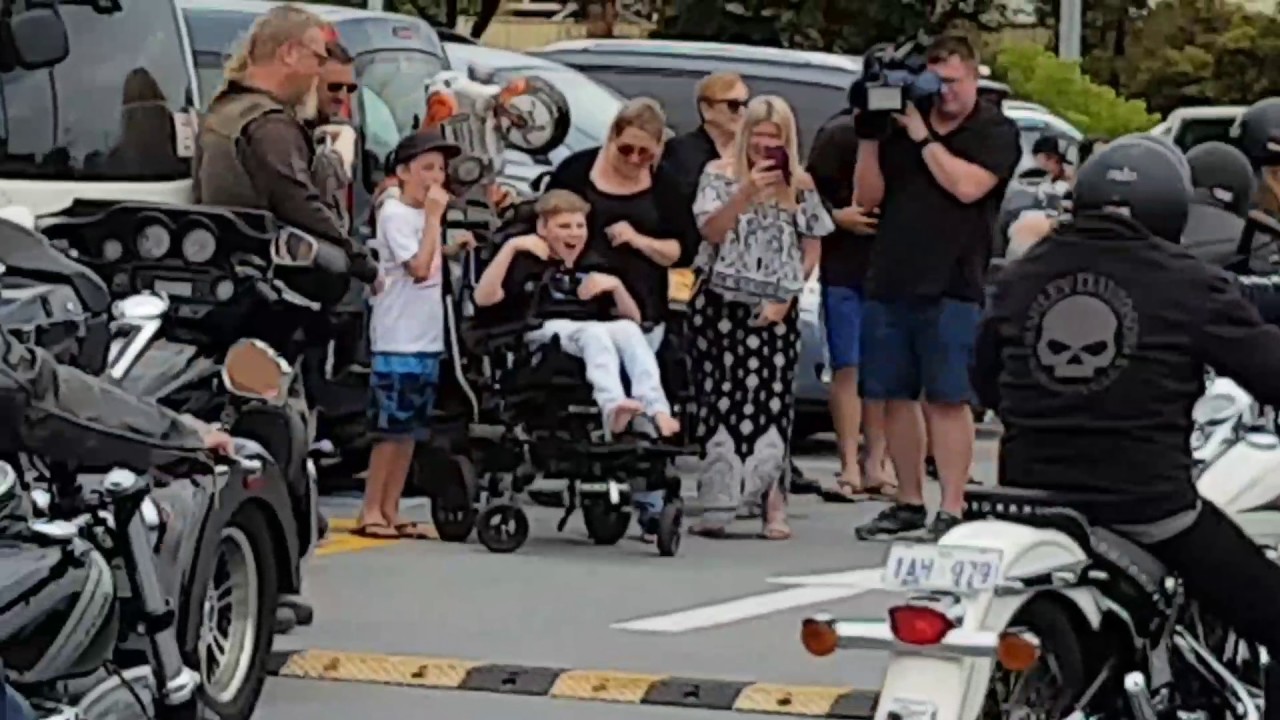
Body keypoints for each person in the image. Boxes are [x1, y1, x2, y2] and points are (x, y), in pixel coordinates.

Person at [973, 136, 1280, 719]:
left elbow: (986, 384)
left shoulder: (1020, 276)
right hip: (1143, 509)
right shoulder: (1187, 281)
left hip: (1028, 496)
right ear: (1172, 208)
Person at [850, 35, 1020, 541]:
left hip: (953, 280)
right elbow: (867, 197)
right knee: (892, 395)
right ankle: (907, 500)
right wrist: (870, 133)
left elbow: (968, 187)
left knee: (947, 397)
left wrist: (924, 136)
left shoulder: (994, 130)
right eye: (934, 81)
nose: (942, 92)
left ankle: (952, 504)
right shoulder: (903, 122)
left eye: (952, 82)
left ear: (973, 77)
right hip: (891, 273)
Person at [688, 95, 831, 541]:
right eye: (759, 137)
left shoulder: (800, 185)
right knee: (721, 399)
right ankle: (719, 498)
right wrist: (746, 191)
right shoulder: (718, 174)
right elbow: (710, 230)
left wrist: (789, 294)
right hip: (722, 300)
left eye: (775, 138)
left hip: (777, 302)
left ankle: (773, 504)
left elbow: (813, 243)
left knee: (771, 403)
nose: (765, 146)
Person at [193, 5, 377, 293]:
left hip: (223, 278)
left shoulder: (223, 111)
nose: (319, 71)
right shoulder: (268, 124)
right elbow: (299, 204)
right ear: (289, 53)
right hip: (266, 290)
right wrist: (364, 265)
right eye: (317, 59)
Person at [473, 189, 682, 438]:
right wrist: (511, 247)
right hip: (538, 331)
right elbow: (483, 299)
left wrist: (616, 287)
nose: (574, 233)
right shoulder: (527, 261)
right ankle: (613, 407)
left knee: (627, 330)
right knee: (592, 333)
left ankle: (657, 409)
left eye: (579, 225)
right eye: (564, 226)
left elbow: (635, 321)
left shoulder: (593, 263)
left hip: (588, 330)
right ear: (542, 227)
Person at [355, 131, 460, 540]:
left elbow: (430, 256)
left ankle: (392, 507)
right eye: (427, 169)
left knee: (411, 429)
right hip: (398, 335)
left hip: (425, 334)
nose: (436, 178)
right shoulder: (396, 213)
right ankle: (371, 509)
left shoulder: (418, 216)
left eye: (441, 170)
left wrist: (450, 246)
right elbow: (417, 268)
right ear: (403, 173)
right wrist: (435, 219)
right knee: (390, 428)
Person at [805, 108, 896, 500]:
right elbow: (806, 191)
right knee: (848, 366)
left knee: (884, 370)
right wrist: (836, 218)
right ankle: (848, 463)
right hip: (844, 268)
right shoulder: (838, 134)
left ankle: (877, 461)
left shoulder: (908, 136)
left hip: (891, 267)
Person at [662, 72, 751, 215]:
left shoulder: (752, 152)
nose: (743, 112)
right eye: (733, 105)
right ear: (706, 109)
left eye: (746, 104)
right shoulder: (682, 152)